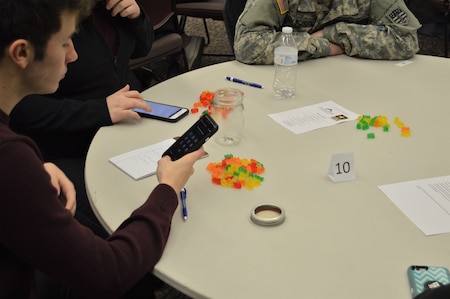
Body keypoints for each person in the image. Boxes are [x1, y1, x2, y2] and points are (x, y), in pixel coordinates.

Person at [0, 0, 206, 298]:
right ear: (21, 53)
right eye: (65, 43)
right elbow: (110, 271)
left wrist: (34, 169)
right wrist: (168, 191)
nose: (73, 55)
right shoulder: (11, 158)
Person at [9, 0, 154, 238]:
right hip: (71, 145)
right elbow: (20, 107)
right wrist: (100, 110)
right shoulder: (40, 16)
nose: (72, 54)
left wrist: (137, 17)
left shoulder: (106, 7)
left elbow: (142, 47)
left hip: (122, 124)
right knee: (134, 213)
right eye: (67, 43)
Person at [233, 0, 421, 64]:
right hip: (289, 82)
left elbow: (406, 40)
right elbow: (247, 45)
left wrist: (336, 34)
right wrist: (323, 47)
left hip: (354, 83)